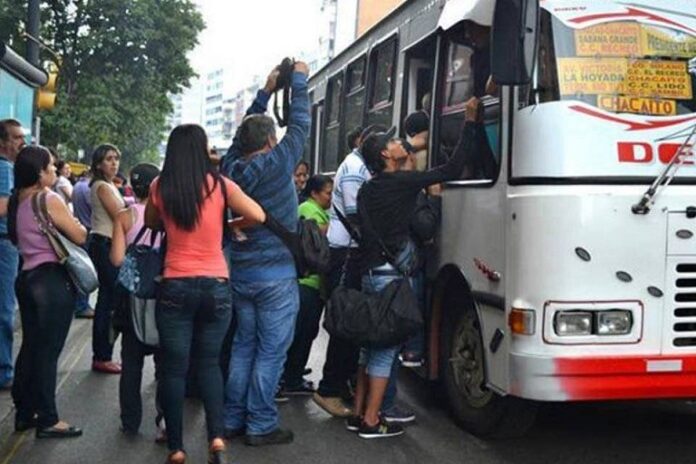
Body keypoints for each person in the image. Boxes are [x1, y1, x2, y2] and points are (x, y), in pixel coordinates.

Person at [347, 96, 480, 439]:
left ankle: (358, 412)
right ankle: (372, 421)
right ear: (385, 155)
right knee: (385, 350)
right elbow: (451, 169)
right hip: (390, 279)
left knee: (367, 348)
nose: (400, 143)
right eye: (393, 142)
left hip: (369, 274)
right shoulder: (400, 184)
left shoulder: (368, 189)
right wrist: (470, 122)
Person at [145, 124, 266, 464]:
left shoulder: (160, 186)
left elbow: (152, 223)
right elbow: (258, 215)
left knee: (174, 370)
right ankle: (216, 440)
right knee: (210, 365)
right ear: (203, 149)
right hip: (216, 285)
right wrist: (228, 225)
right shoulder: (221, 185)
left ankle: (176, 448)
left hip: (175, 284)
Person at [221, 61, 310, 446]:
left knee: (244, 346)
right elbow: (301, 123)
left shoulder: (230, 168)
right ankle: (260, 423)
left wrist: (267, 91)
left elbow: (239, 138)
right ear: (272, 140)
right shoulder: (278, 162)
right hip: (276, 277)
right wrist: (299, 79)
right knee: (271, 351)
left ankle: (232, 418)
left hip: (241, 273)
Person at [7, 145, 86, 438]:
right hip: (51, 280)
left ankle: (24, 412)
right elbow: (79, 235)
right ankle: (48, 418)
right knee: (48, 352)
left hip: (27, 277)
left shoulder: (17, 199)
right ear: (39, 173)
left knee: (31, 347)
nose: (55, 170)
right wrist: (76, 222)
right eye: (51, 166)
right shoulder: (48, 198)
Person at [312, 124, 384, 418]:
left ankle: (340, 385)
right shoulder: (355, 169)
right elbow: (357, 215)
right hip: (345, 253)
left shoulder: (357, 165)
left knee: (351, 325)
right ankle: (329, 389)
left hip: (348, 251)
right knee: (345, 323)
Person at [110, 163, 165, 440]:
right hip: (164, 295)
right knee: (166, 364)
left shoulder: (124, 216)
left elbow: (117, 260)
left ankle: (130, 421)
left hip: (135, 299)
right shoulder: (170, 214)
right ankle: (165, 422)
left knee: (131, 362)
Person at [281, 174, 333, 395]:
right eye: (328, 193)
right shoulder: (308, 210)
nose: (331, 198)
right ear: (314, 193)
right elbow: (316, 238)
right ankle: (290, 380)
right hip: (306, 282)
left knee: (307, 332)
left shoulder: (317, 210)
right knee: (301, 333)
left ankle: (293, 374)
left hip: (312, 283)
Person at [89, 144, 126, 374]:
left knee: (109, 299)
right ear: (98, 164)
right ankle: (102, 355)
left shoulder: (110, 185)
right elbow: (120, 216)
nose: (114, 163)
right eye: (108, 159)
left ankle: (103, 354)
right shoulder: (102, 186)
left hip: (108, 244)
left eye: (116, 158)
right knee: (108, 301)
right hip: (105, 244)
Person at [0, 119, 25, 390]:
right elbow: (2, 207)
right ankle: (3, 371)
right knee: (5, 310)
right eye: (16, 137)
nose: (22, 142)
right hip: (4, 245)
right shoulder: (5, 168)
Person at [72, 171, 95, 319]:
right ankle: (82, 305)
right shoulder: (88, 188)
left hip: (80, 227)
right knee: (86, 272)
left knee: (80, 269)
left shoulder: (77, 186)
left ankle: (79, 304)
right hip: (87, 231)